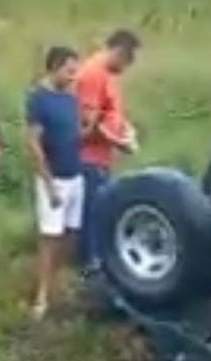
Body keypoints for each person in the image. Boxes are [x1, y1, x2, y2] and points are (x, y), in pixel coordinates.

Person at [74, 29, 141, 271]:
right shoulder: (93, 74)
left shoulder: (109, 75)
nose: (129, 66)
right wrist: (119, 142)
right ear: (120, 52)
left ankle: (97, 260)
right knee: (92, 213)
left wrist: (127, 130)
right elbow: (87, 125)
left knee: (102, 210)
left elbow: (111, 112)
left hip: (102, 157)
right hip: (88, 158)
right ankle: (90, 265)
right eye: (129, 59)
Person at [25, 46, 83, 320]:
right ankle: (41, 296)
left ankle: (58, 285)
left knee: (70, 234)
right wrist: (48, 184)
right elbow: (33, 143)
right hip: (55, 179)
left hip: (75, 176)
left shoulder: (70, 97)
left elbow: (75, 133)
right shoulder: (39, 99)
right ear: (55, 67)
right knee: (49, 239)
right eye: (69, 71)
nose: (73, 76)